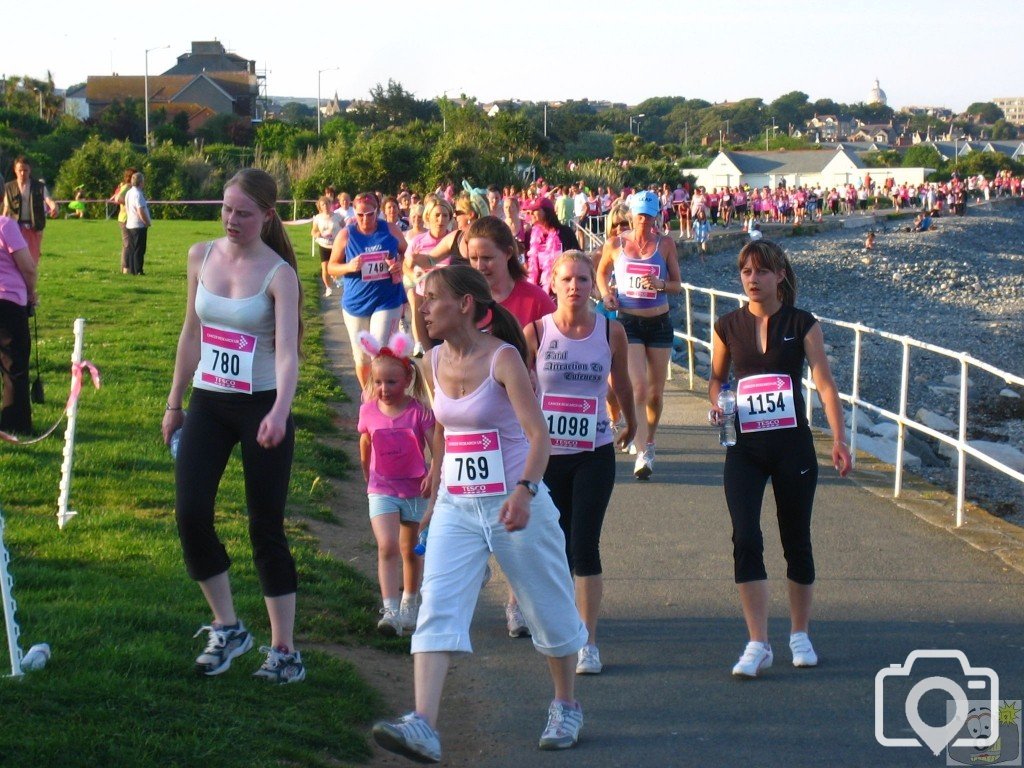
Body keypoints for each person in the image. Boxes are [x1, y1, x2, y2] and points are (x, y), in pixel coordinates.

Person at [372, 265, 589, 763]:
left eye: (432, 299)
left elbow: (540, 438)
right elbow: (447, 431)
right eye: (421, 300)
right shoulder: (430, 363)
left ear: (465, 305)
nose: (423, 308)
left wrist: (525, 491)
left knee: (547, 609)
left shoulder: (504, 359)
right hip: (456, 505)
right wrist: (435, 487)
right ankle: (423, 723)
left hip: (516, 504)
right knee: (437, 605)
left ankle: (565, 703)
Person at [161, 168, 306, 684]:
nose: (232, 220)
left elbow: (288, 355)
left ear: (268, 215)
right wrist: (174, 401)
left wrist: (279, 410)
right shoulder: (200, 256)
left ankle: (284, 650)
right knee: (189, 513)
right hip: (209, 402)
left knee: (265, 526)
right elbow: (191, 333)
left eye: (244, 212)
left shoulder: (278, 275)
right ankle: (228, 627)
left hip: (262, 405)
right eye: (226, 209)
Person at [708, 239, 851, 679]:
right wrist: (716, 403)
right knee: (745, 536)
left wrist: (840, 438)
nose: (753, 280)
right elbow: (714, 379)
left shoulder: (802, 324)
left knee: (796, 538)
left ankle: (800, 634)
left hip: (793, 446)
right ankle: (757, 642)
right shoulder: (727, 325)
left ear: (780, 276)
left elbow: (824, 383)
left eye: (762, 272)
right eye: (747, 272)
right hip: (745, 448)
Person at [525, 251, 635, 676]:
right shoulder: (535, 332)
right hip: (547, 457)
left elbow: (621, 381)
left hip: (594, 452)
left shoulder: (611, 332)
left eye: (583, 280)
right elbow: (518, 388)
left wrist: (633, 422)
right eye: (567, 279)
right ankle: (559, 626)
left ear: (594, 285)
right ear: (553, 283)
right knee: (554, 544)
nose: (575, 287)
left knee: (584, 545)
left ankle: (587, 641)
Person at [466, 216, 555, 637]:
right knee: (473, 498)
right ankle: (475, 557)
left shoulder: (534, 299)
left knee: (518, 511)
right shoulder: (463, 299)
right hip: (474, 423)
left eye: (487, 257)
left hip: (520, 421)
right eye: (472, 258)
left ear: (509, 255)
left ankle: (517, 601)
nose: (480, 265)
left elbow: (555, 350)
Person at [596, 190, 682, 480]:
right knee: (640, 387)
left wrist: (660, 284)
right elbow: (600, 273)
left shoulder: (666, 244)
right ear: (631, 215)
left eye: (650, 215)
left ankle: (650, 441)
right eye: (640, 215)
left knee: (656, 395)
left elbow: (677, 284)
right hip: (628, 323)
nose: (645, 221)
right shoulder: (615, 244)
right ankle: (643, 451)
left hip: (659, 323)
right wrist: (607, 294)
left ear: (657, 216)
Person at [357, 330, 435, 637]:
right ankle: (389, 610)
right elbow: (364, 442)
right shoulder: (368, 411)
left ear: (407, 380)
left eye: (391, 382)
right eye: (378, 382)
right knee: (387, 545)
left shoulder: (419, 413)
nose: (384, 389)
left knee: (410, 549)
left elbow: (435, 446)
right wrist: (367, 474)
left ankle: (409, 600)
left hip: (415, 489)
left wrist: (433, 474)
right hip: (381, 489)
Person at [328, 192, 408, 388]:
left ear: (378, 212)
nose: (365, 219)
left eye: (370, 214)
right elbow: (331, 266)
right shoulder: (346, 234)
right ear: (354, 213)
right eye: (360, 215)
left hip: (387, 300)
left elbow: (407, 254)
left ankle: (382, 397)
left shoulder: (390, 230)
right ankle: (368, 397)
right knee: (362, 358)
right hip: (356, 304)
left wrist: (400, 264)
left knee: (380, 352)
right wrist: (349, 267)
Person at [0, 215, 36, 435]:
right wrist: (31, 293)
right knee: (14, 365)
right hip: (8, 301)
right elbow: (27, 267)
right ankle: (15, 425)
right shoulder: (5, 225)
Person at [405, 196, 455, 356]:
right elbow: (406, 266)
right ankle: (425, 352)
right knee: (431, 353)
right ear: (428, 217)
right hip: (424, 299)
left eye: (445, 215)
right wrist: (414, 276)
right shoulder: (418, 241)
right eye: (437, 215)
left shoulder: (454, 240)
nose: (441, 220)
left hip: (449, 302)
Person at [3, 156, 57, 262]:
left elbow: (48, 200)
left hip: (34, 228)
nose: (23, 173)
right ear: (15, 170)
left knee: (32, 261)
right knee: (15, 261)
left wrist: (54, 207)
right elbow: (6, 208)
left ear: (30, 170)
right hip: (15, 228)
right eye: (20, 170)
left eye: (25, 170)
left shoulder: (40, 186)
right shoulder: (8, 187)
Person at [523, 197, 577, 297]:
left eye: (535, 210)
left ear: (547, 212)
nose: (531, 213)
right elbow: (527, 261)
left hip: (560, 288)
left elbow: (577, 257)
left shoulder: (565, 232)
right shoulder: (530, 234)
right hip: (537, 288)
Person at [311, 196, 343, 297]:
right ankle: (328, 287)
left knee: (336, 265)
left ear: (330, 205)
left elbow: (345, 227)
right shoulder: (318, 218)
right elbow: (313, 231)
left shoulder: (337, 216)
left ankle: (336, 278)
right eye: (323, 204)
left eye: (327, 204)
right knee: (325, 267)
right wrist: (318, 234)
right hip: (324, 244)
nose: (325, 206)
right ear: (320, 207)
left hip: (336, 244)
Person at [125, 172, 151, 275]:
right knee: (139, 249)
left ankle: (132, 270)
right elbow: (140, 210)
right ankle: (138, 270)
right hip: (138, 225)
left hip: (130, 224)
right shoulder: (138, 194)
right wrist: (146, 222)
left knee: (132, 249)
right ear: (140, 182)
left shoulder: (129, 193)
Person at [109, 168, 135, 274]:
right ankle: (125, 269)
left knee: (129, 244)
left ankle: (129, 268)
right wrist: (129, 204)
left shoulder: (125, 186)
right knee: (127, 244)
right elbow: (117, 198)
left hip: (127, 219)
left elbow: (114, 197)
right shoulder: (127, 186)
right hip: (125, 219)